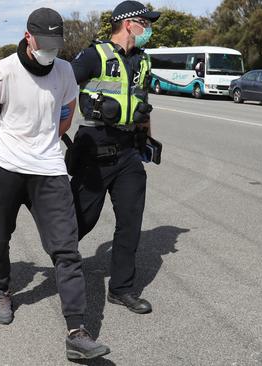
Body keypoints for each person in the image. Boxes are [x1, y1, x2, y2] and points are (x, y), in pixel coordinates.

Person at [0, 8, 110, 361]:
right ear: (28, 37)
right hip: (7, 169)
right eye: (44, 43)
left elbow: (65, 114)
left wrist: (43, 144)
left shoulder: (65, 71)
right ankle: (3, 290)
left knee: (66, 248)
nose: (51, 50)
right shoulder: (3, 70)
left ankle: (77, 331)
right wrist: (4, 153)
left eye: (56, 44)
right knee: (0, 236)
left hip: (49, 169)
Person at [68, 0, 160, 315]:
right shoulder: (94, 56)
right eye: (145, 23)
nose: (148, 29)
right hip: (94, 147)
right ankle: (62, 265)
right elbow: (62, 88)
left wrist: (147, 139)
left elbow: (143, 104)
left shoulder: (143, 61)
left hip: (129, 150)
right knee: (81, 219)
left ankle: (121, 289)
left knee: (130, 222)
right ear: (128, 23)